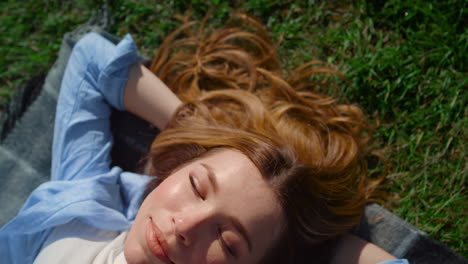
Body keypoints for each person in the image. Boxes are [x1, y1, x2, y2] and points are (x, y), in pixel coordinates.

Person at [0, 14, 409, 264]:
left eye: (228, 243)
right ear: (176, 168)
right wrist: (187, 122)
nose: (186, 226)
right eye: (196, 186)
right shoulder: (86, 207)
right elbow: (90, 60)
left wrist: (312, 248)